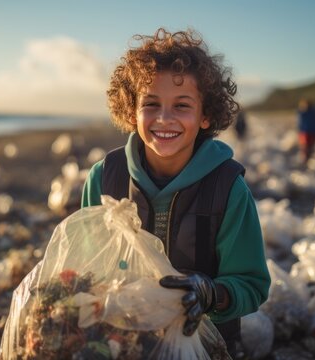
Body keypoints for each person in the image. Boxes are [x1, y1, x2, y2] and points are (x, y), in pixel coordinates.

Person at [80, 28, 270, 357]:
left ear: (206, 114)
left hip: (203, 342)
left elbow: (252, 284)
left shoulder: (227, 188)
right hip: (117, 340)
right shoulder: (104, 178)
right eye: (150, 104)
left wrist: (211, 294)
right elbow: (85, 270)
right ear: (131, 110)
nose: (164, 119)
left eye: (182, 106)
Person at [297, 99, 315, 164]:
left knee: (311, 147)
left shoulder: (313, 112)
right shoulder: (302, 113)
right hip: (304, 132)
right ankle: (305, 160)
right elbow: (299, 122)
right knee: (304, 147)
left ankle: (309, 159)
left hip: (312, 132)